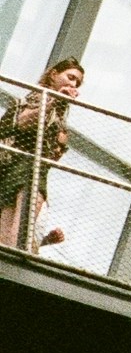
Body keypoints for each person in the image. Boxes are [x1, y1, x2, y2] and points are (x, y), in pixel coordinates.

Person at [0, 58, 82, 256]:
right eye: (70, 78)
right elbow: (19, 123)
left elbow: (53, 155)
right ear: (54, 74)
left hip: (34, 173)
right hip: (18, 169)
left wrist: (46, 241)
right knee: (11, 232)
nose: (73, 84)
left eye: (77, 83)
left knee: (18, 234)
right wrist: (54, 98)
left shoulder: (59, 119)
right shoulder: (31, 100)